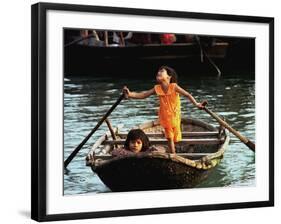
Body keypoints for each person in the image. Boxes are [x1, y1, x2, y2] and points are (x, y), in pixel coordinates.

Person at [123, 65, 205, 154]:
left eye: (162, 71)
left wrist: (196, 104)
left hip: (175, 116)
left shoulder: (174, 86)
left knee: (175, 137)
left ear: (169, 77)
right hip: (165, 117)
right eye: (158, 72)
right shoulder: (157, 88)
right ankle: (173, 155)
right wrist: (130, 94)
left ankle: (176, 151)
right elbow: (143, 95)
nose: (158, 73)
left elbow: (187, 95)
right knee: (169, 137)